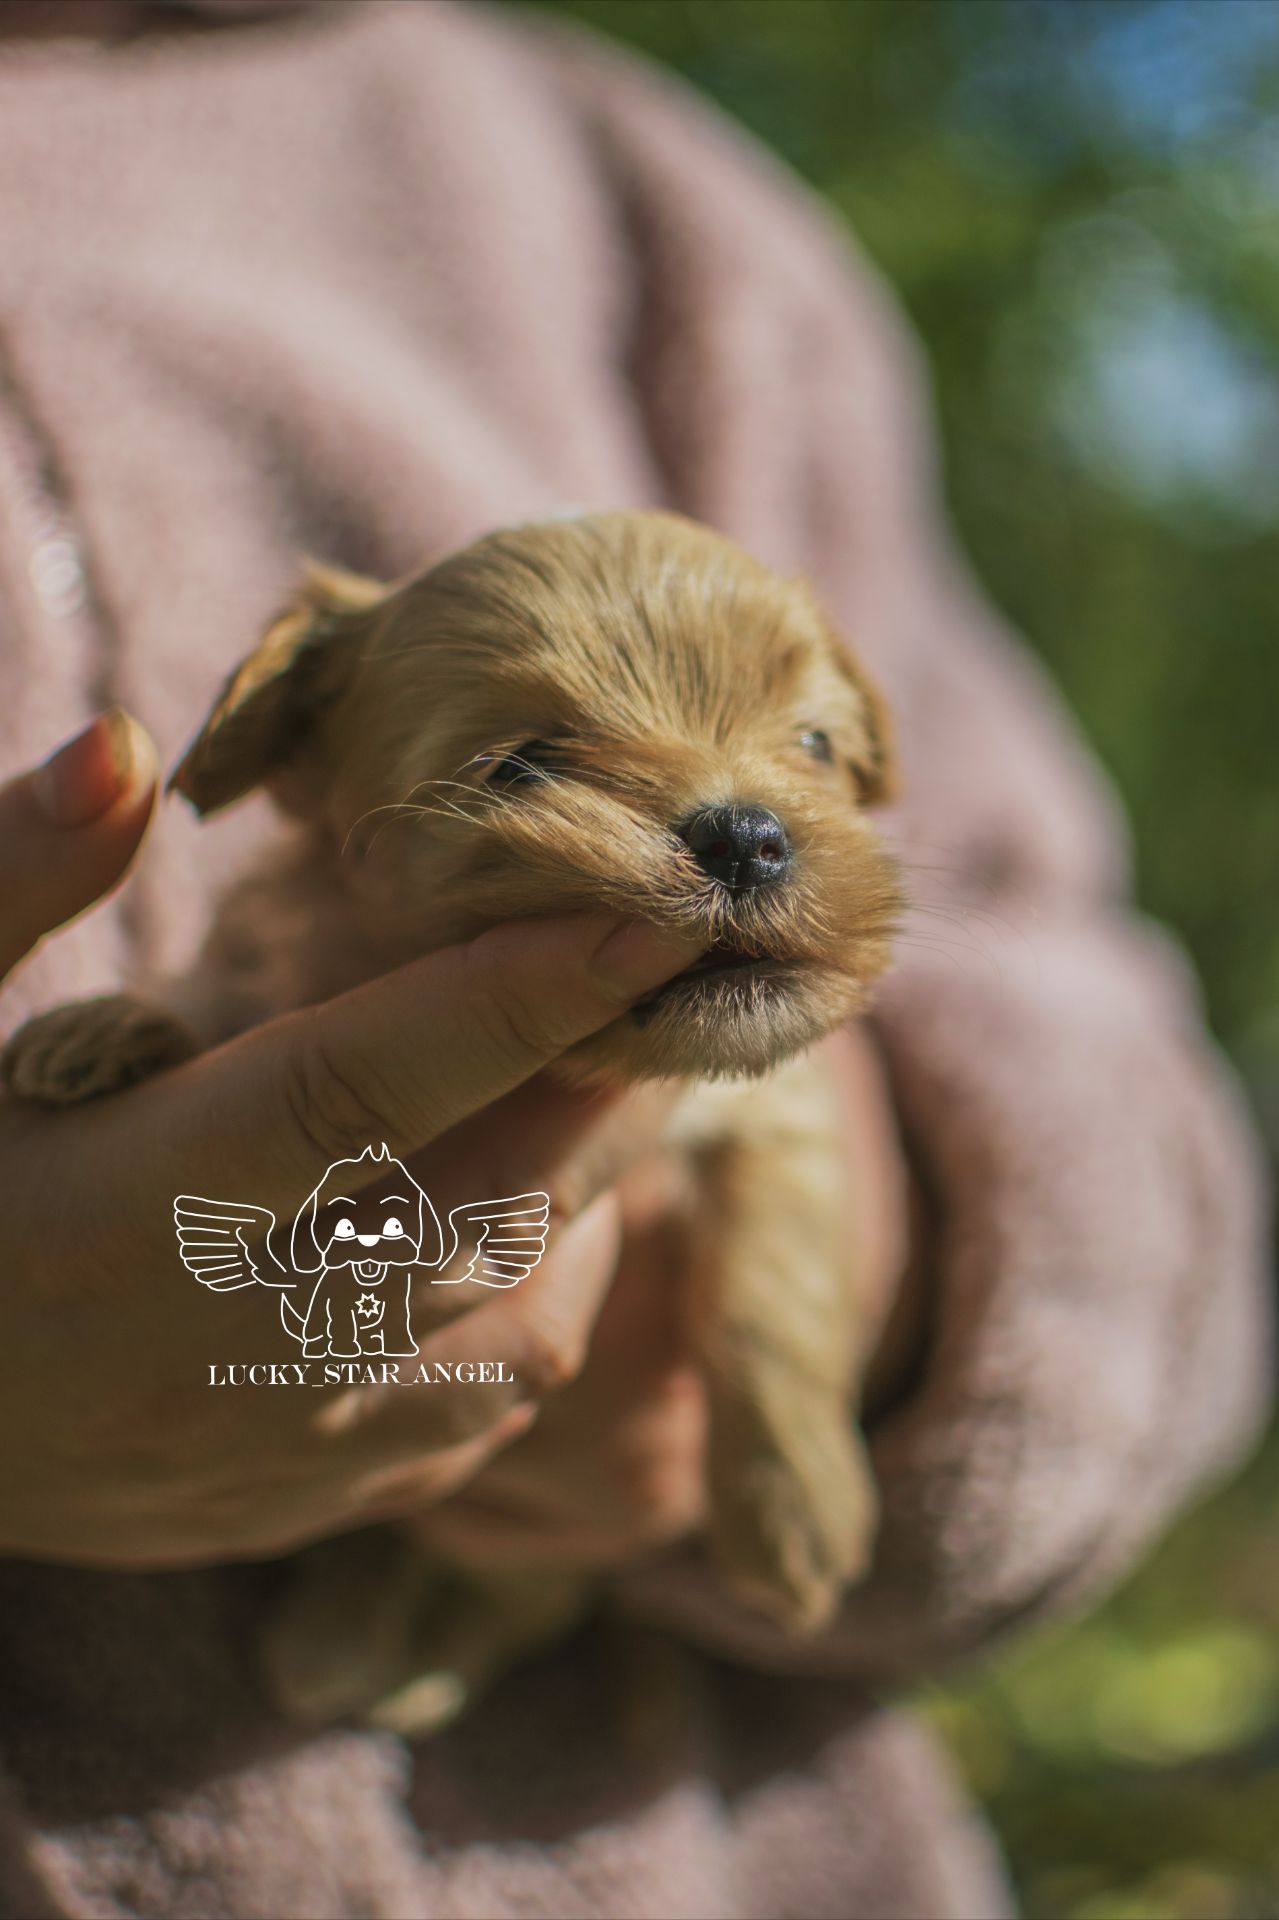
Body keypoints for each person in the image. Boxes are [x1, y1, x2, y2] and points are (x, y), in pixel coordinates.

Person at [0, 4, 1268, 1916]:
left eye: (811, 756)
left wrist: (841, 1304)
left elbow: (1092, 1049)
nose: (736, 827)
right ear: (294, 756)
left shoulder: (645, 210)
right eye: (527, 762)